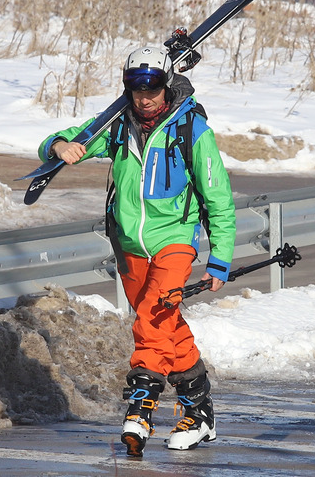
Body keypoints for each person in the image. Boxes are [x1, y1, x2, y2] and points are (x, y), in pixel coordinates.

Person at [38, 46, 237, 456]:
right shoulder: (116, 124)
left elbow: (219, 198)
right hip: (129, 245)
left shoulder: (191, 129)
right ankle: (199, 414)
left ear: (166, 85)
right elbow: (58, 142)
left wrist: (219, 258)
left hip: (175, 240)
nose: (145, 98)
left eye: (153, 88)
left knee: (151, 320)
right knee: (165, 323)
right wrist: (60, 146)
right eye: (136, 89)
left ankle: (140, 409)